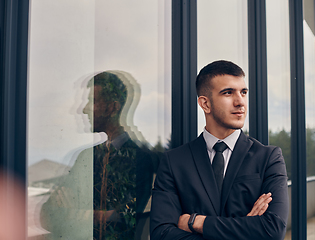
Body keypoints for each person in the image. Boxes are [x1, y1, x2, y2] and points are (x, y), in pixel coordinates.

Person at [150, 60, 289, 239]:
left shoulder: (269, 158)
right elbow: (161, 234)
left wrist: (197, 222)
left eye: (243, 92)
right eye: (228, 93)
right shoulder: (174, 162)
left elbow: (273, 229)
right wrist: (246, 230)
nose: (240, 102)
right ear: (205, 104)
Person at [41, 71, 154, 240]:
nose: (84, 109)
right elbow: (48, 214)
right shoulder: (86, 157)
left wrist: (76, 213)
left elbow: (127, 218)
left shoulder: (142, 159)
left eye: (92, 101)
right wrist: (97, 215)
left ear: (112, 107)